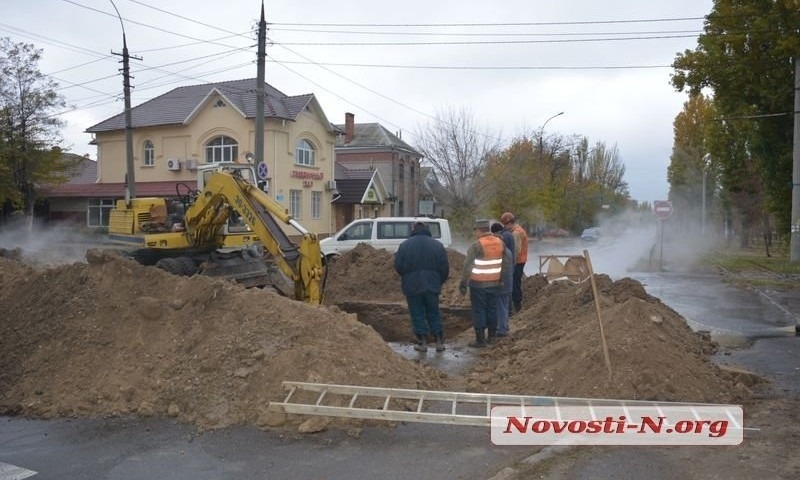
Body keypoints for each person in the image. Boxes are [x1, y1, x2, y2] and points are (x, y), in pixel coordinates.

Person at [394, 222, 450, 352]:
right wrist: (438, 281)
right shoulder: (437, 245)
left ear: (413, 229)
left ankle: (422, 342)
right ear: (427, 230)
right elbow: (444, 267)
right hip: (432, 284)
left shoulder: (405, 245)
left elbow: (398, 266)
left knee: (417, 313)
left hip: (412, 285)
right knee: (433, 312)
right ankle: (439, 341)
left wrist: (407, 277)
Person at [459, 219, 506, 348]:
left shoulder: (477, 245)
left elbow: (467, 265)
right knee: (492, 308)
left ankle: (480, 340)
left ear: (479, 230)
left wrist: (463, 283)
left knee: (479, 310)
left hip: (478, 284)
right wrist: (500, 279)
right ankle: (492, 337)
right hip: (494, 283)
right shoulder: (500, 242)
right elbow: (505, 263)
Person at [501, 211, 528, 313]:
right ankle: (517, 305)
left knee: (514, 284)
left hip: (517, 261)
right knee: (516, 283)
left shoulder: (516, 233)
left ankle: (517, 306)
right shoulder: (518, 230)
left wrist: (511, 264)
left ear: (509, 223)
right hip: (520, 261)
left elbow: (516, 250)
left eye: (505, 225)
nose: (505, 227)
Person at [491, 222, 514, 337]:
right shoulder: (508, 251)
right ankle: (504, 326)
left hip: (500, 283)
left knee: (499, 306)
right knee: (504, 305)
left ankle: (501, 330)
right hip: (508, 283)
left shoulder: (500, 252)